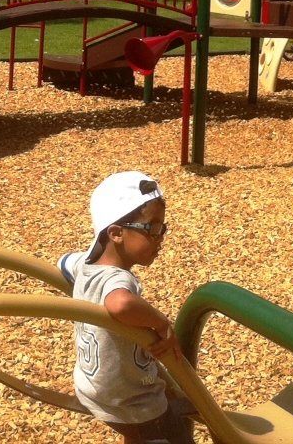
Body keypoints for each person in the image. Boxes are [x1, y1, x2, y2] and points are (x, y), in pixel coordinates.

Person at [57, 171, 193, 444]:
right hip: (130, 402)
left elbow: (64, 262)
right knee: (168, 436)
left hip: (93, 384)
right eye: (152, 228)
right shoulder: (117, 279)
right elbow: (120, 305)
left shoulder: (85, 264)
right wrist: (162, 323)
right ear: (116, 234)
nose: (161, 237)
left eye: (163, 228)